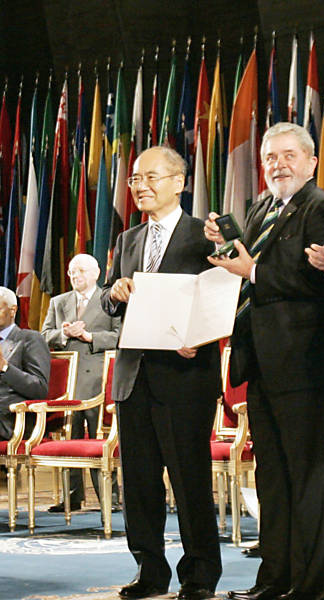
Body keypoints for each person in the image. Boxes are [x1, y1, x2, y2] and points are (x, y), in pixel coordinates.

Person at [206, 121, 324, 600]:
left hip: (307, 363)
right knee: (273, 477)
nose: (278, 165)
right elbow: (245, 269)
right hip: (263, 364)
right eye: (270, 157)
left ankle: (310, 586)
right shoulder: (261, 207)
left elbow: (322, 280)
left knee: (310, 478)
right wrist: (226, 246)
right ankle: (273, 581)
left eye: (289, 155)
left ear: (311, 162)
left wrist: (254, 269)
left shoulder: (323, 206)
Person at [101, 146, 222, 600]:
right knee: (139, 483)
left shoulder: (202, 236)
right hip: (133, 376)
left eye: (151, 177)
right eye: (135, 178)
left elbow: (224, 296)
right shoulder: (129, 238)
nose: (141, 186)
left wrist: (201, 336)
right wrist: (114, 291)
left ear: (179, 182)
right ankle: (149, 571)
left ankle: (200, 574)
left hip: (185, 377)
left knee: (190, 481)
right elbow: (107, 300)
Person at [41, 253, 121, 513]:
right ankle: (72, 496)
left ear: (96, 273)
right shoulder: (58, 302)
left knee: (99, 440)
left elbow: (121, 336)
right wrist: (64, 333)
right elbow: (44, 335)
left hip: (99, 382)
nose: (75, 275)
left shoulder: (109, 301)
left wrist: (90, 336)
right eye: (71, 271)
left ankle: (110, 497)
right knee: (69, 439)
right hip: (68, 385)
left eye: (80, 271)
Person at [0, 286, 49, 441]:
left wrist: (5, 367)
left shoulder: (29, 338)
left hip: (12, 418)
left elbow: (39, 389)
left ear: (12, 310)